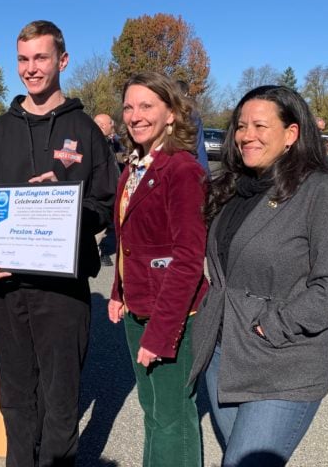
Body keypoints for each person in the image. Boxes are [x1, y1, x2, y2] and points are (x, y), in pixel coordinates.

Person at [0, 20, 115, 467]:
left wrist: (70, 203)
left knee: (61, 399)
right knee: (15, 396)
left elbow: (106, 204)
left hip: (62, 290)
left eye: (41, 58)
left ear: (62, 61)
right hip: (6, 287)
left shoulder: (86, 131)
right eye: (24, 59)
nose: (31, 69)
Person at [189, 85, 328, 467]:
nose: (247, 135)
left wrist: (272, 325)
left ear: (292, 134)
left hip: (282, 361)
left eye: (260, 125)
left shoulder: (324, 191)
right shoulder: (232, 188)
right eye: (241, 126)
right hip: (222, 354)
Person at [107, 72, 208, 467]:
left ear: (171, 113)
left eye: (147, 106)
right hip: (139, 307)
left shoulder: (182, 170)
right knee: (154, 412)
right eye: (129, 107)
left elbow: (187, 260)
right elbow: (130, 241)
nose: (135, 115)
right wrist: (118, 291)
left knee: (173, 418)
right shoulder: (136, 166)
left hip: (172, 315)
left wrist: (162, 332)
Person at [93, 113, 123, 266]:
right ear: (104, 126)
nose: (113, 128)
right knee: (100, 226)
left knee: (110, 223)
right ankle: (96, 254)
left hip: (111, 189)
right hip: (101, 192)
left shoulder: (107, 141)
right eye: (111, 125)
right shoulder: (94, 142)